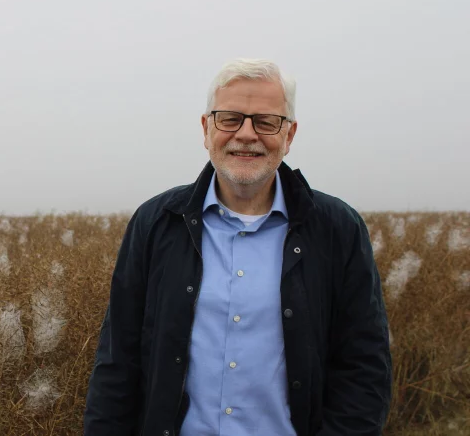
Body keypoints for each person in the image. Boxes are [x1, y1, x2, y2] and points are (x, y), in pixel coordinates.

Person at [83, 59, 392, 436]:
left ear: (290, 135)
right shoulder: (156, 222)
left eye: (266, 122)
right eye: (230, 118)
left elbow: (364, 370)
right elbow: (118, 364)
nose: (246, 134)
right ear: (206, 127)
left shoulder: (338, 229)